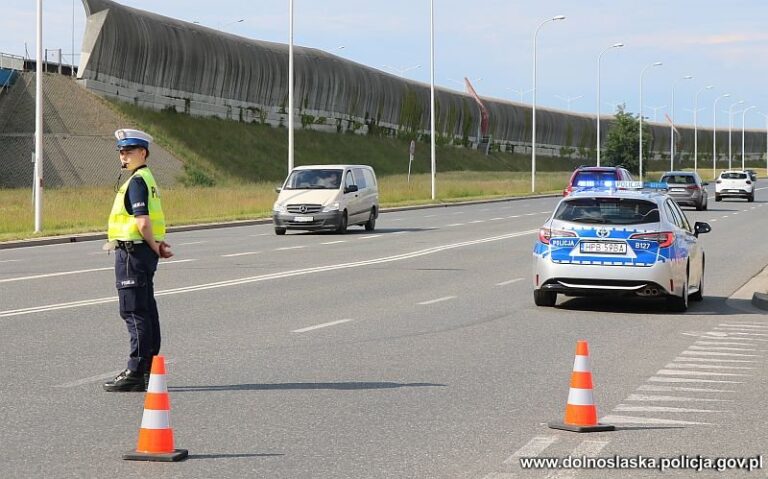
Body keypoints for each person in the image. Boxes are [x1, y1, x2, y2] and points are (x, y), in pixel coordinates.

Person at [103, 129, 174, 392]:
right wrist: (155, 246)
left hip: (133, 253)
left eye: (129, 151)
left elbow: (143, 222)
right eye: (121, 152)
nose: (124, 156)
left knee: (133, 311)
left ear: (143, 153)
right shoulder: (147, 178)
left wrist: (154, 246)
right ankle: (148, 370)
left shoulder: (136, 182)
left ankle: (136, 370)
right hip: (140, 252)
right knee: (145, 309)